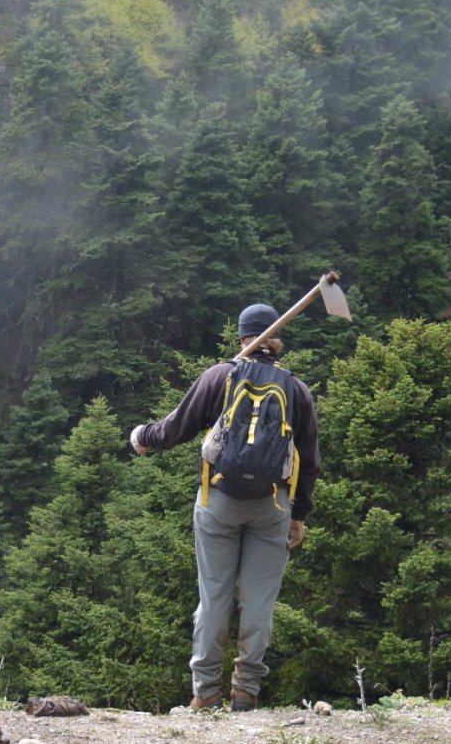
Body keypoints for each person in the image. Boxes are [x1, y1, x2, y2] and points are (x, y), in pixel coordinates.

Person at [129, 303, 320, 712]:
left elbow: (176, 428)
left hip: (218, 501)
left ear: (243, 339)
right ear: (276, 342)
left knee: (214, 597)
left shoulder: (221, 376)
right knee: (259, 601)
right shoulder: (296, 390)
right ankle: (246, 691)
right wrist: (299, 515)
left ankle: (206, 692)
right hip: (272, 506)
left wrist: (142, 436)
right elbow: (309, 461)